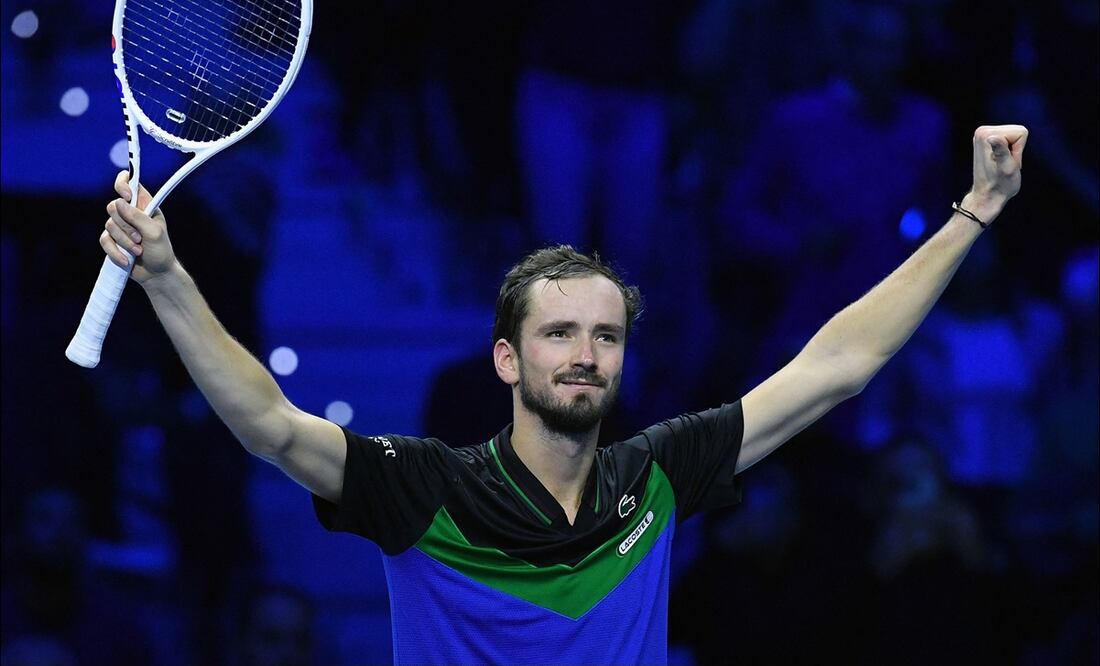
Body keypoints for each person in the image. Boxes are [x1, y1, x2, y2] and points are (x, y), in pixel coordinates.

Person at [95, 125, 1028, 665]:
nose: (585, 355)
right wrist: (169, 276)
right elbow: (266, 423)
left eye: (605, 335)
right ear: (506, 360)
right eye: (558, 333)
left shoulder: (657, 475)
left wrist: (974, 212)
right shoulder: (424, 487)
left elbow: (838, 365)